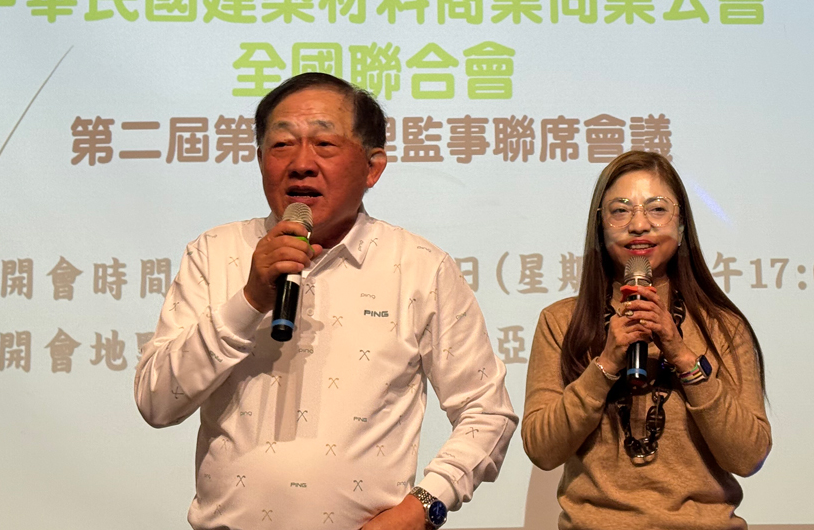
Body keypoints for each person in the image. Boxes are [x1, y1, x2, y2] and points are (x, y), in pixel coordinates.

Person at [135, 73, 516, 530]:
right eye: (281, 145)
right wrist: (250, 299)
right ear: (259, 159)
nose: (301, 164)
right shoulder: (214, 252)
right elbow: (157, 402)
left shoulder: (420, 267)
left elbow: (486, 411)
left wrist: (422, 509)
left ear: (373, 168)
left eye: (324, 144)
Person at [521, 151, 770, 529]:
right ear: (600, 227)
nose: (639, 225)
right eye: (620, 211)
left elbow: (748, 456)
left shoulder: (723, 326)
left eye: (657, 209)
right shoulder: (561, 322)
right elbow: (542, 449)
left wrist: (682, 355)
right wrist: (605, 364)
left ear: (682, 225)